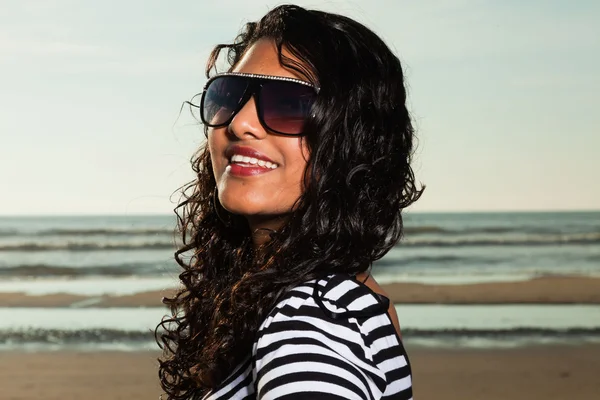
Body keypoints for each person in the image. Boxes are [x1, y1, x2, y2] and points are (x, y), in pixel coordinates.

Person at [156, 4, 424, 399]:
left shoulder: (311, 319)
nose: (239, 123)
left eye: (289, 104)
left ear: (353, 142)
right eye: (230, 96)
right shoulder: (345, 298)